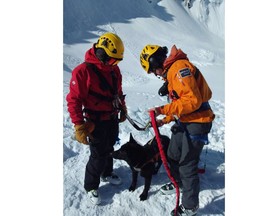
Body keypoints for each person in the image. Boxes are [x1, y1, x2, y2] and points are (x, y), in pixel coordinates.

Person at [140, 44, 215, 216]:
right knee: (172, 154)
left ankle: (190, 206)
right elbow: (181, 106)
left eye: (152, 70)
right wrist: (163, 120)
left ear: (154, 62)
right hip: (186, 119)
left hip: (198, 121)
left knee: (187, 164)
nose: (155, 74)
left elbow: (193, 101)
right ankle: (179, 182)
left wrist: (162, 110)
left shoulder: (178, 69)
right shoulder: (172, 71)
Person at [66, 32, 127, 205]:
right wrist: (79, 125)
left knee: (110, 147)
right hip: (95, 120)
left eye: (117, 61)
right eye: (112, 60)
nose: (114, 64)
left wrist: (122, 106)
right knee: (98, 154)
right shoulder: (82, 72)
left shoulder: (114, 70)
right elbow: (74, 100)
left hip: (112, 116)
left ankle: (106, 173)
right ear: (102, 53)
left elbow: (118, 91)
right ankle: (91, 186)